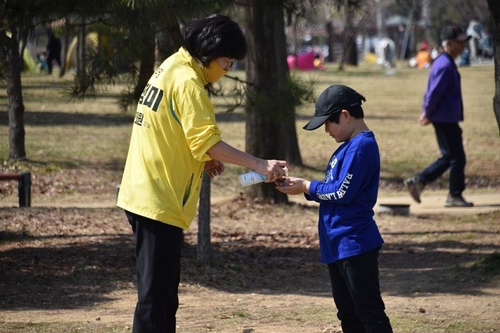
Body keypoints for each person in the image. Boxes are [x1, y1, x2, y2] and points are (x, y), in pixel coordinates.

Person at [116, 14, 287, 333]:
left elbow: (175, 127)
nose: (227, 71)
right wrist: (259, 165)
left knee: (163, 296)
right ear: (209, 51)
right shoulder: (189, 83)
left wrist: (204, 157)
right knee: (155, 301)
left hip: (146, 192)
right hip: (158, 199)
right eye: (226, 62)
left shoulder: (172, 66)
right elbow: (209, 140)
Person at [276, 84, 393, 333]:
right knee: (348, 316)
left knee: (369, 314)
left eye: (328, 123)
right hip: (338, 244)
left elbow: (341, 191)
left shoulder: (361, 147)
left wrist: (307, 186)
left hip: (355, 242)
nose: (326, 130)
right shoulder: (347, 147)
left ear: (345, 115)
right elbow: (332, 189)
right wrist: (303, 187)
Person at [404, 25, 473, 207]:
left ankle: (420, 182)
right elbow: (433, 93)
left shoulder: (446, 63)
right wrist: (427, 112)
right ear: (449, 44)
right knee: (456, 157)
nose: (463, 46)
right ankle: (453, 195)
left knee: (450, 156)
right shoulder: (444, 65)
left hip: (446, 116)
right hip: (444, 118)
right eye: (460, 43)